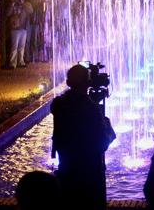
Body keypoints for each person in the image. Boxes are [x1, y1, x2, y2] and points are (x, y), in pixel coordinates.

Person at [50, 65, 116, 209]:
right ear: (88, 83)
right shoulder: (91, 109)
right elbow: (103, 142)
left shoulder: (58, 105)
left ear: (68, 83)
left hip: (67, 169)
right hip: (90, 174)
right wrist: (108, 126)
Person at [7, 0, 33, 69]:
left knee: (22, 46)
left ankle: (21, 62)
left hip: (24, 28)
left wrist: (23, 4)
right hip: (15, 29)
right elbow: (8, 13)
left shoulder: (26, 4)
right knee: (14, 46)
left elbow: (31, 11)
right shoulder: (13, 5)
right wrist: (12, 2)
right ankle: (12, 63)